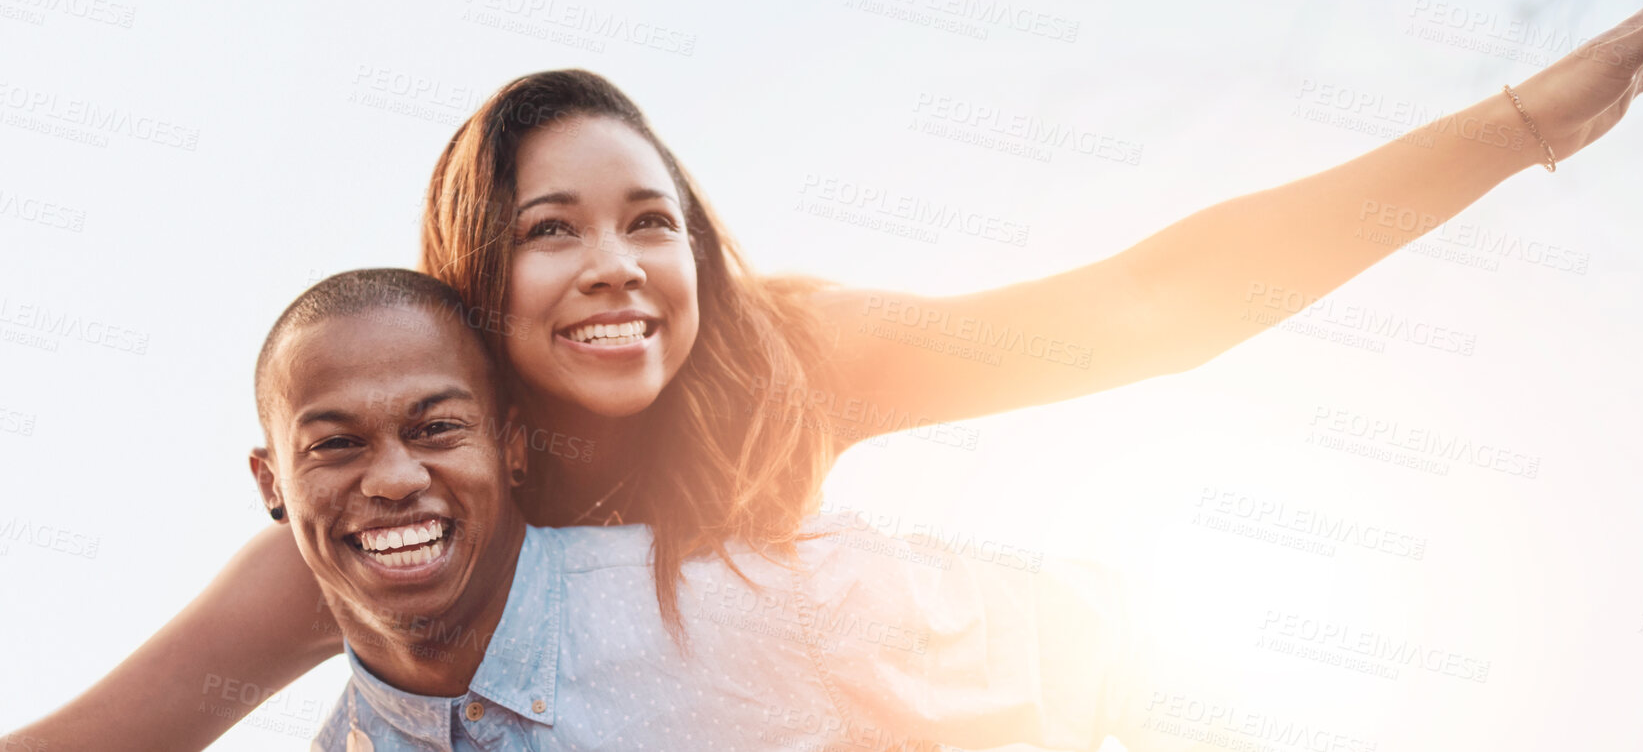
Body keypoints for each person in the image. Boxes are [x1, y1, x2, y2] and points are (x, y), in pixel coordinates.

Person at [4, 0, 1643, 751]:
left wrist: (1515, 126)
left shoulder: (785, 357)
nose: (617, 272)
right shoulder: (411, 509)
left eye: (650, 220)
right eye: (552, 231)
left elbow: (1155, 305)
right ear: (475, 285)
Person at [255, 269, 1140, 751]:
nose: (395, 479)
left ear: (513, 447)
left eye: (437, 427)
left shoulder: (754, 601)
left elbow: (1114, 657)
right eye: (334, 443)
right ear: (271, 483)